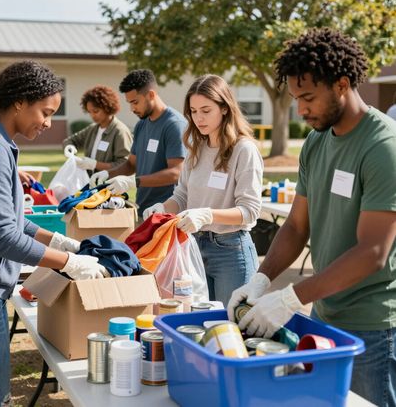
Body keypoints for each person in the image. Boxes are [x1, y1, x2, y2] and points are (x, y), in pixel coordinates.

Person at [227, 28, 396, 407]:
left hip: (373, 325)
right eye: (295, 98)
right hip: (325, 308)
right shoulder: (318, 141)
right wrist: (261, 278)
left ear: (341, 84)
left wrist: (290, 299)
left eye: (308, 97)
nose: (301, 110)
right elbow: (296, 225)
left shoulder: (383, 146)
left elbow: (373, 252)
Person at [0, 60, 107, 406]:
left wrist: (59, 241)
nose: (47, 123)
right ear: (20, 102)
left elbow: (13, 221)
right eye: (45, 112)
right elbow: (0, 236)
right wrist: (70, 262)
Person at [143, 74, 263, 306]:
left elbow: (249, 211)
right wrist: (161, 208)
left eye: (206, 110)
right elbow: (182, 195)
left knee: (232, 327)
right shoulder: (195, 148)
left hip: (231, 250)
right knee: (199, 321)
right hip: (194, 246)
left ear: (225, 108)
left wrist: (207, 214)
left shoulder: (243, 150)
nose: (198, 118)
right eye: (193, 111)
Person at [90, 69, 187, 214]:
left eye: (135, 102)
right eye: (129, 103)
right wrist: (107, 174)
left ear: (151, 94)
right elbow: (131, 164)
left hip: (165, 212)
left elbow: (177, 173)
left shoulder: (174, 124)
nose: (132, 108)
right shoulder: (142, 124)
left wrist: (133, 182)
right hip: (141, 209)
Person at [62, 85, 133, 175]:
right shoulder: (93, 129)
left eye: (96, 111)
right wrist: (70, 148)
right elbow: (69, 141)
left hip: (109, 186)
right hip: (90, 184)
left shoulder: (120, 131)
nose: (92, 115)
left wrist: (94, 164)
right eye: (89, 112)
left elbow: (124, 165)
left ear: (107, 107)